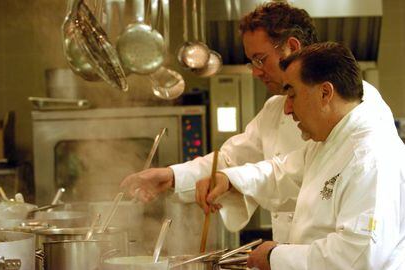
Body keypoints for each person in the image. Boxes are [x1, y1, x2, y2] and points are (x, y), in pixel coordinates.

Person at [120, 2, 393, 242]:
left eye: (260, 59)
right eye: (251, 62)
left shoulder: (355, 107)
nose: (255, 72)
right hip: (292, 253)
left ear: (292, 47)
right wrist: (171, 177)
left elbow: (361, 244)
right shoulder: (275, 109)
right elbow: (235, 163)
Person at [195, 42, 405, 270]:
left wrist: (275, 256)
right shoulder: (330, 140)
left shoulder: (369, 158)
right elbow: (281, 172)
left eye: (292, 94)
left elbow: (359, 257)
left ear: (325, 93)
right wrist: (230, 180)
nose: (287, 109)